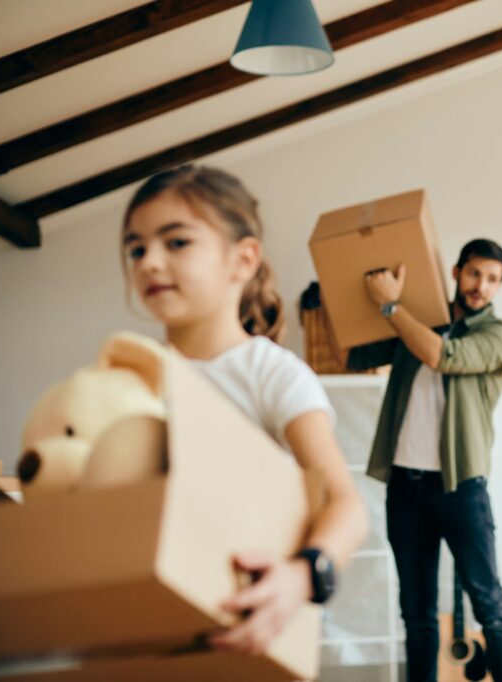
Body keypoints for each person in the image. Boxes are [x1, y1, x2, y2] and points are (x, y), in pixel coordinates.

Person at [121, 164, 368, 655]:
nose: (148, 261)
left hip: (247, 623)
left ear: (243, 259)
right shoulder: (131, 376)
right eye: (136, 248)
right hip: (147, 626)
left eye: (175, 242)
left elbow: (347, 506)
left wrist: (301, 577)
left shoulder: (272, 374)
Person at [347, 239, 502, 682]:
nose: (480, 286)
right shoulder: (415, 325)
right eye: (474, 274)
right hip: (405, 489)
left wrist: (392, 307)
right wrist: (361, 292)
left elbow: (442, 355)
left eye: (492, 279)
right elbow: (355, 352)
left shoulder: (498, 335)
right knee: (417, 612)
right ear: (456, 272)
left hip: (461, 488)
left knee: (490, 607)